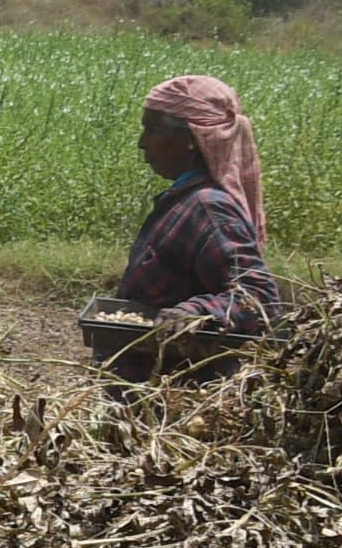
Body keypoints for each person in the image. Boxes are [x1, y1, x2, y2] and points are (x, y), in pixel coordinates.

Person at [92, 73, 278, 374]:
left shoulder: (209, 208)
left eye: (152, 131)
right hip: (147, 382)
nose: (142, 143)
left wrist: (192, 314)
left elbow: (258, 297)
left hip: (176, 392)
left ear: (192, 138)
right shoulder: (184, 199)